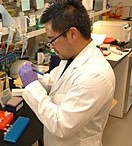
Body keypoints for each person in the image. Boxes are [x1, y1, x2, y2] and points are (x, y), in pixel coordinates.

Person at [19, 0, 115, 146]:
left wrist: (32, 85)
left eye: (52, 39)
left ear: (72, 34)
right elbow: (55, 80)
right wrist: (36, 78)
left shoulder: (95, 76)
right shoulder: (72, 56)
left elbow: (61, 125)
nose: (51, 46)